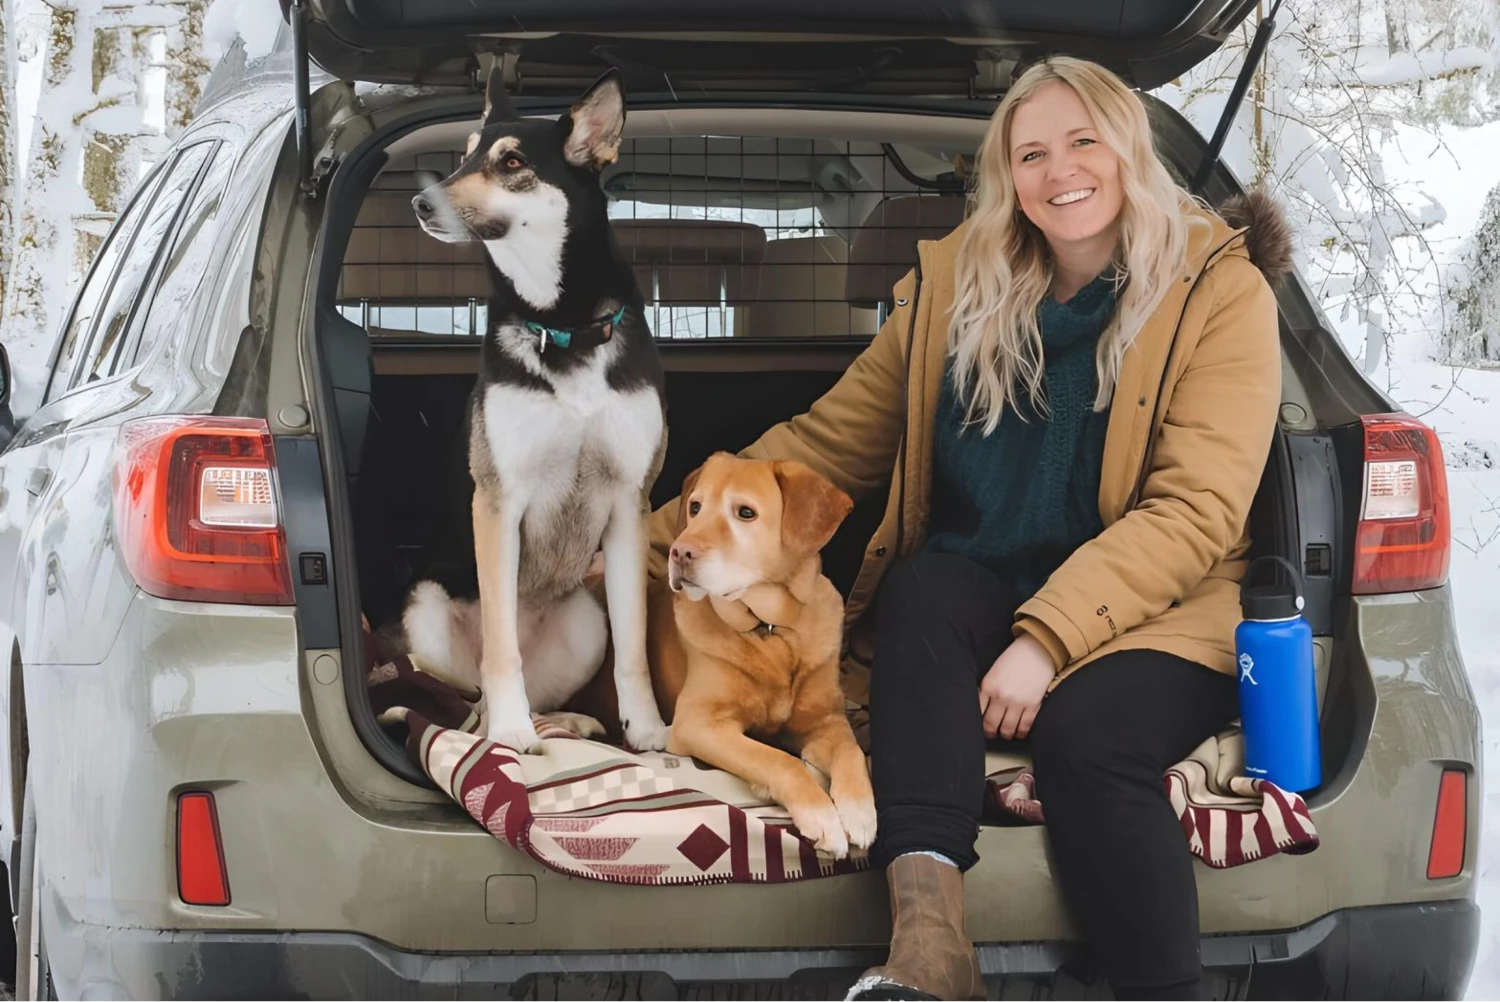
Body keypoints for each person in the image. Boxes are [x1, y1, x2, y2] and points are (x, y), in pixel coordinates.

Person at [647, 55, 1292, 1002]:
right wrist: (648, 536)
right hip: (989, 583)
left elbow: (1194, 513)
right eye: (1031, 153)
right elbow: (823, 445)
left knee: (1085, 735)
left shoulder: (1219, 294)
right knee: (920, 593)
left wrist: (1045, 640)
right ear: (1008, 177)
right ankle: (932, 954)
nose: (1059, 170)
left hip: (1163, 605)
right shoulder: (957, 291)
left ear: (1128, 147)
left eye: (1083, 141)